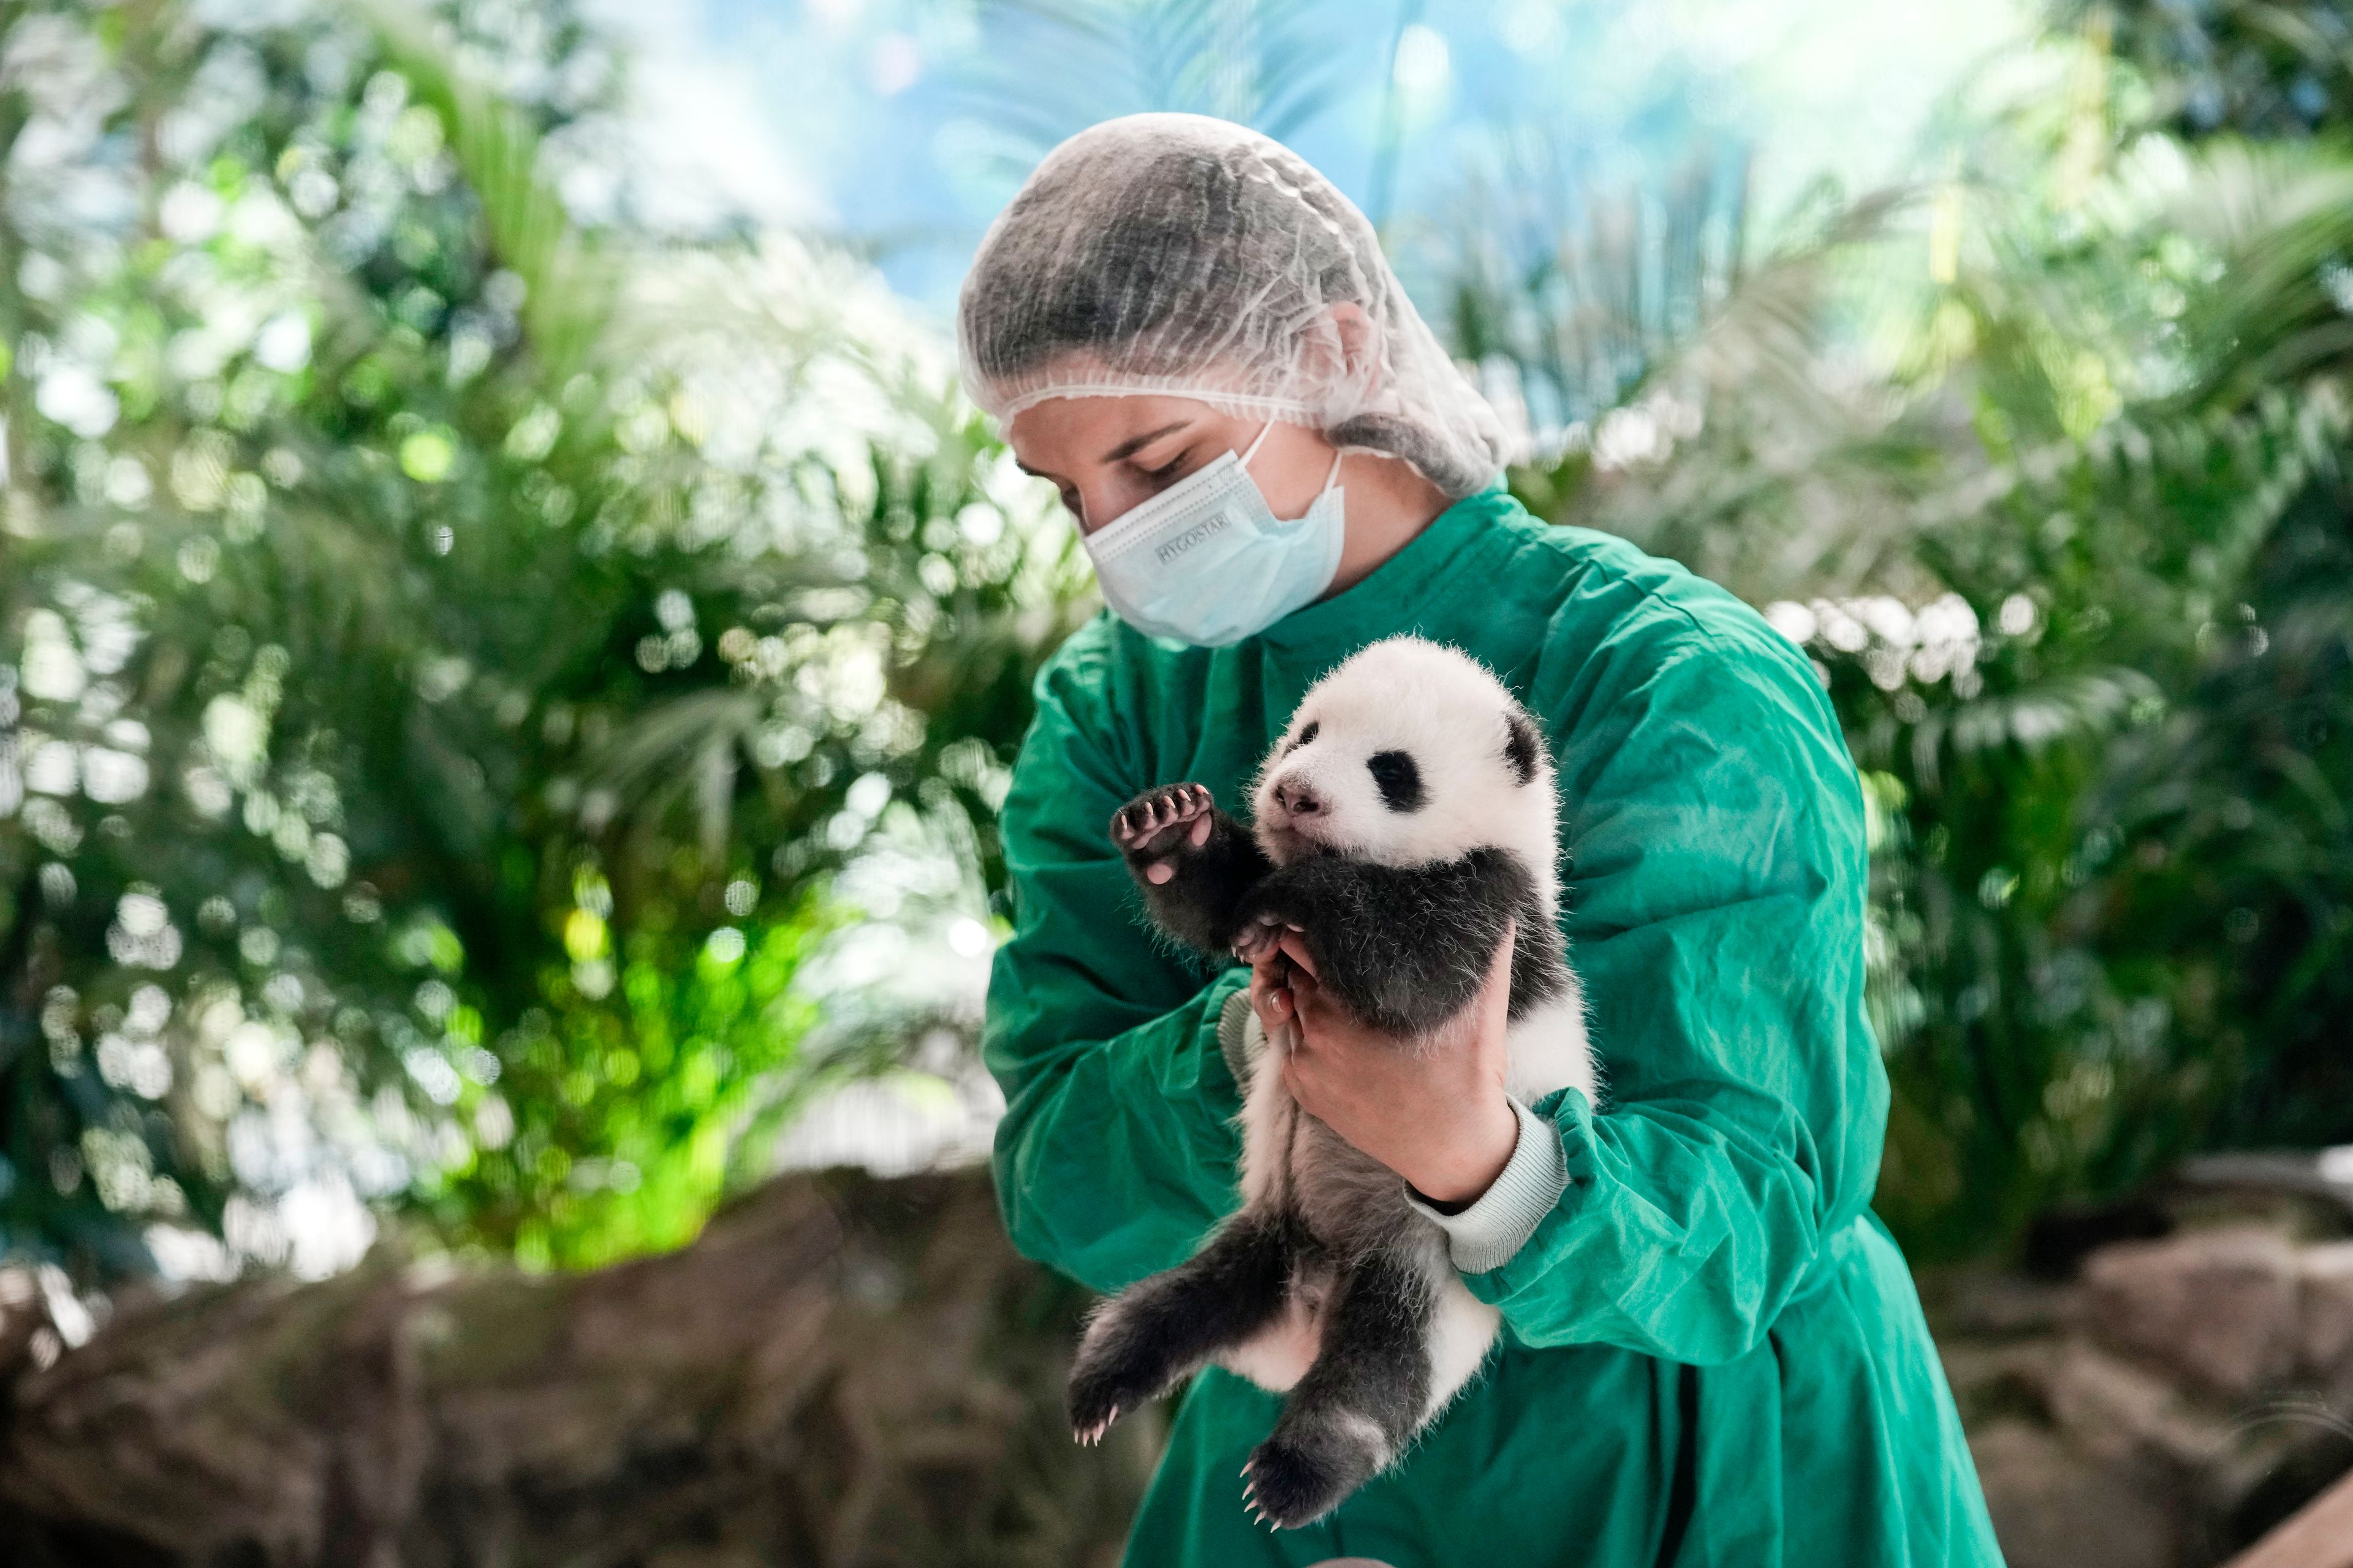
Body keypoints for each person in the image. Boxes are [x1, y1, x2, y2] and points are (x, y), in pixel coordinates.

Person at [964, 112, 2003, 1566]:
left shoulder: (1675, 688)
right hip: (1301, 1443)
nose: (1112, 538)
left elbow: (1752, 1210)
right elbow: (1062, 1177)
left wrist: (1488, 1157)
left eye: (1156, 461)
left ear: (1326, 353)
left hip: (1704, 1449)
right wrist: (1278, 1026)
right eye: (1070, 493)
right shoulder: (1116, 709)